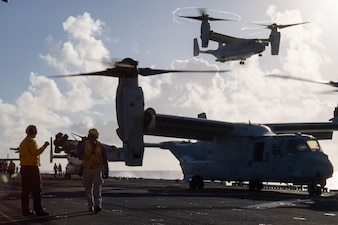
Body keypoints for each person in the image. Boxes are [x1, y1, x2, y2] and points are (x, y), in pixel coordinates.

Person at [19, 125, 50, 217]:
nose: (36, 133)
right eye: (35, 131)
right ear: (33, 132)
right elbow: (36, 152)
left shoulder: (23, 142)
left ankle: (25, 210)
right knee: (36, 190)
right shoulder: (31, 141)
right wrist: (44, 146)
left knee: (26, 191)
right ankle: (39, 211)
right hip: (32, 168)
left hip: (24, 168)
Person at [77, 128, 108, 214]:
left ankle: (97, 205)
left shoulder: (100, 146)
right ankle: (92, 204)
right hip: (88, 169)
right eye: (92, 137)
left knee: (96, 189)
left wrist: (106, 170)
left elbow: (105, 159)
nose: (93, 138)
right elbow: (79, 154)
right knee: (89, 189)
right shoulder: (87, 145)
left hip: (96, 169)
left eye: (94, 137)